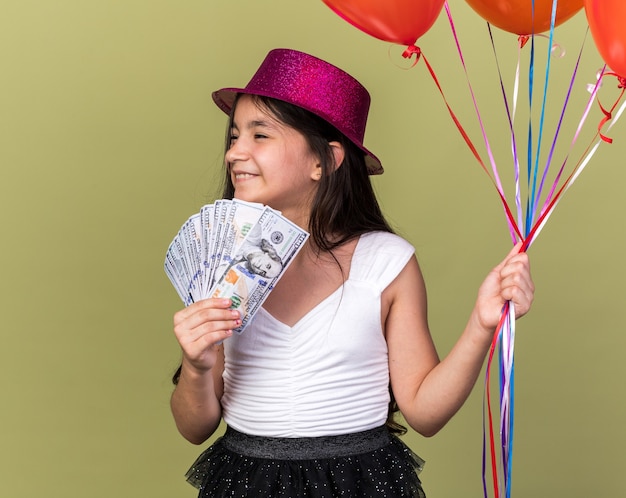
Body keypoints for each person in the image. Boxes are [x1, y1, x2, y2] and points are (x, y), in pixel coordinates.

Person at [169, 48, 534, 497]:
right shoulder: (218, 262)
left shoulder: (385, 264)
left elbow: (424, 411)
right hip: (246, 482)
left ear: (324, 161)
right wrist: (195, 364)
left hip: (359, 482)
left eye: (259, 135)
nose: (234, 152)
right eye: (234, 134)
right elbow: (194, 427)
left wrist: (482, 323)